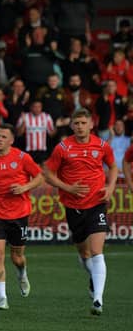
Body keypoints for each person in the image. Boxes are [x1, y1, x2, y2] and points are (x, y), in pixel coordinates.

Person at [43, 108, 118, 315]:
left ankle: (98, 300)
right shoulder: (63, 148)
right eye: (76, 123)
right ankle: (92, 277)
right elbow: (47, 173)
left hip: (96, 203)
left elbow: (113, 167)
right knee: (84, 253)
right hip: (73, 207)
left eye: (83, 123)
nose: (80, 127)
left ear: (91, 124)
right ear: (72, 126)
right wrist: (68, 188)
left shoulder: (102, 145)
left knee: (96, 251)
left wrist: (110, 188)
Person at [0, 123, 43, 309]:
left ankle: (22, 273)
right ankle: (2, 298)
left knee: (17, 257)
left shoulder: (23, 158)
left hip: (19, 213)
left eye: (3, 137)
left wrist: (24, 187)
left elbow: (40, 177)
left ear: (11, 140)